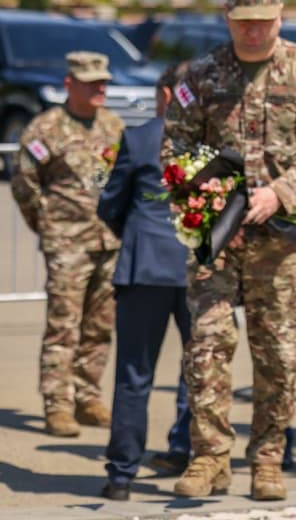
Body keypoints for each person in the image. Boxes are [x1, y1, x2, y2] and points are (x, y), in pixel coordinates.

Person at [161, 0, 296, 501]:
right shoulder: (203, 75)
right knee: (208, 347)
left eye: (264, 22)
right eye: (244, 23)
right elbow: (174, 148)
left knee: (278, 355)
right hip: (217, 240)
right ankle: (209, 458)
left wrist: (281, 192)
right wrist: (207, 208)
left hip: (284, 242)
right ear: (228, 19)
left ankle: (267, 458)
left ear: (279, 16)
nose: (254, 33)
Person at [12, 51, 125, 438]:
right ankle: (57, 404)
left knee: (100, 326)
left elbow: (121, 180)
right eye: (92, 82)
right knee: (64, 326)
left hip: (108, 241)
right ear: (69, 84)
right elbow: (25, 183)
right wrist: (48, 226)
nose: (100, 88)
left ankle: (88, 396)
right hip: (67, 244)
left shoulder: (113, 126)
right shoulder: (45, 129)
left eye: (104, 82)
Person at [97, 62, 193, 501]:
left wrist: (137, 235)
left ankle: (121, 474)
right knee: (201, 371)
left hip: (145, 267)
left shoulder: (138, 139)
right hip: (198, 268)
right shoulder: (212, 140)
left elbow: (110, 205)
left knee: (134, 375)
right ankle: (195, 456)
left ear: (166, 95)